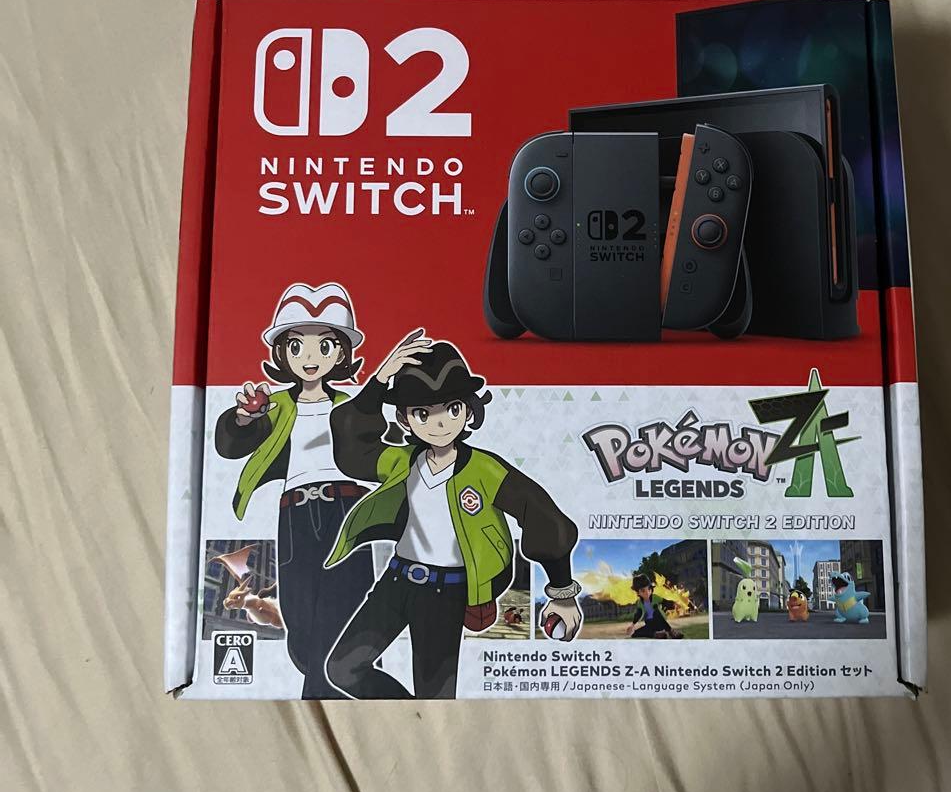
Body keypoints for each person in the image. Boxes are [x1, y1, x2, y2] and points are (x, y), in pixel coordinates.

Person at [324, 330, 583, 699]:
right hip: (396, 582)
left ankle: (421, 722)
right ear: (406, 419)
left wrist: (561, 591)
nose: (440, 423)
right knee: (343, 669)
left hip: (446, 593)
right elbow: (352, 448)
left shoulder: (485, 470)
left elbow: (541, 515)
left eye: (452, 409)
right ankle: (409, 718)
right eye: (423, 413)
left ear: (468, 409)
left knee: (436, 699)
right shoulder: (401, 462)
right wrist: (380, 380)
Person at [213, 282, 376, 698]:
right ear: (282, 353)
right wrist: (245, 418)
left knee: (345, 609)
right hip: (295, 516)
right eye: (297, 346)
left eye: (325, 346)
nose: (310, 357)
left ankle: (325, 688)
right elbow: (230, 445)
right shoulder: (278, 406)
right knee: (300, 624)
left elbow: (377, 447)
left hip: (344, 509)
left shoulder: (350, 404)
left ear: (341, 354)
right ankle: (331, 680)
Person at [625, 574, 683, 639]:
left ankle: (670, 631)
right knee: (635, 634)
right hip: (649, 624)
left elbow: (665, 602)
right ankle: (657, 634)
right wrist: (632, 625)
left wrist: (674, 604)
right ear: (638, 592)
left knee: (656, 612)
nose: (647, 592)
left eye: (649, 589)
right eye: (643, 591)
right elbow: (638, 614)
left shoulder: (655, 597)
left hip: (660, 622)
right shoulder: (640, 603)